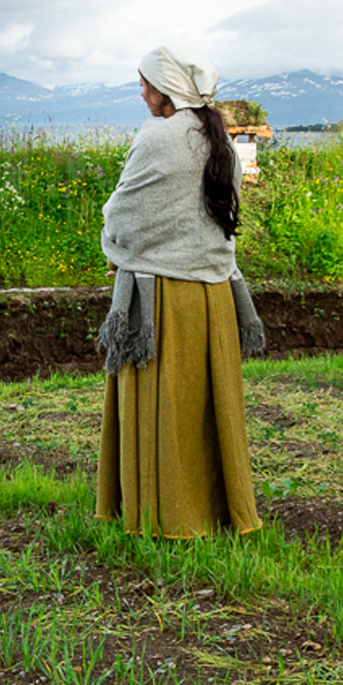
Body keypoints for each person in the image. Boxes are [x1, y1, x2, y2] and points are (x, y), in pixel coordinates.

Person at [95, 45, 265, 538]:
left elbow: (125, 214)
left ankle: (163, 515)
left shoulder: (158, 139)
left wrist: (118, 251)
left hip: (161, 301)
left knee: (163, 409)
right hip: (212, 298)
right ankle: (215, 513)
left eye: (146, 83)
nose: (141, 91)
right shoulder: (222, 143)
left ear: (167, 91)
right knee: (205, 411)